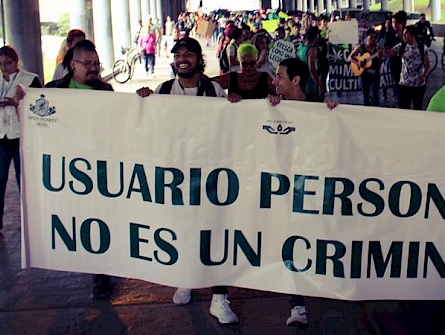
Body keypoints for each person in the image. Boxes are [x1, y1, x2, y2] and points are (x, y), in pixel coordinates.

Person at [135, 37, 236, 325]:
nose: (182, 59)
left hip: (210, 175)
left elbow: (229, 128)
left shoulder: (213, 90)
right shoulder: (163, 90)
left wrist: (234, 106)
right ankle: (186, 279)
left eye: (188, 54)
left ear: (198, 59)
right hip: (176, 176)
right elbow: (149, 126)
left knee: (215, 233)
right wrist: (144, 103)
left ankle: (220, 298)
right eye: (177, 54)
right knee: (181, 230)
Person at [268, 56, 337, 328]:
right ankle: (297, 304)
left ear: (295, 80)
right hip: (283, 190)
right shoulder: (272, 107)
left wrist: (334, 114)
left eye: (280, 76)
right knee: (290, 242)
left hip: (311, 189)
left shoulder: (320, 107)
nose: (274, 81)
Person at [44, 40, 115, 299]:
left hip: (97, 169)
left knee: (99, 221)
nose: (94, 68)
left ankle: (101, 274)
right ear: (72, 65)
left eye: (96, 63)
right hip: (68, 170)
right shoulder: (53, 91)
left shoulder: (105, 90)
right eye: (87, 64)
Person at [0, 45, 41, 234]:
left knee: (25, 180)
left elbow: (39, 108)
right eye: (0, 64)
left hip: (20, 136)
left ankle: (32, 219)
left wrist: (17, 102)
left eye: (7, 63)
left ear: (16, 61)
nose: (4, 68)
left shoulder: (31, 79)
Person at [383, 25, 430, 110]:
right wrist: (383, 52)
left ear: (412, 35)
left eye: (405, 34)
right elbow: (390, 52)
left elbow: (427, 64)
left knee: (417, 107)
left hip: (418, 84)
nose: (403, 36)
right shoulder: (401, 46)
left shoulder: (422, 47)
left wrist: (424, 76)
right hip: (404, 83)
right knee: (403, 108)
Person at [211, 43, 276, 101]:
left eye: (252, 63)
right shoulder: (231, 77)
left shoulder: (265, 78)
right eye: (244, 64)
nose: (248, 67)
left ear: (256, 61)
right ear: (239, 63)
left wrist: (274, 98)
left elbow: (280, 95)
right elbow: (209, 83)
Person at [349, 28, 382, 107]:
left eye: (375, 38)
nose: (373, 40)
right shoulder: (361, 47)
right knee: (365, 96)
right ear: (366, 37)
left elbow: (380, 61)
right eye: (371, 38)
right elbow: (350, 57)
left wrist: (380, 56)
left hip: (374, 74)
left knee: (375, 94)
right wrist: (358, 63)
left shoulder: (377, 49)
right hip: (364, 75)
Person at [296, 26, 323, 100]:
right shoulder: (312, 49)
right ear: (316, 36)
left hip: (302, 81)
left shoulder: (301, 47)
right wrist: (319, 85)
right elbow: (312, 69)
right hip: (310, 83)